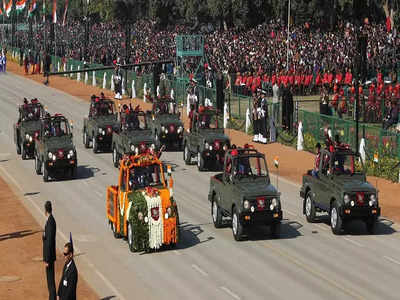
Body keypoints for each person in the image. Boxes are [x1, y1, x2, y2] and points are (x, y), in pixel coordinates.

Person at [43, 201, 57, 300]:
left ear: (45, 210)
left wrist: (47, 259)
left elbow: (49, 242)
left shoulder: (50, 222)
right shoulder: (50, 220)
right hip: (49, 256)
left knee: (50, 281)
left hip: (49, 257)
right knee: (50, 281)